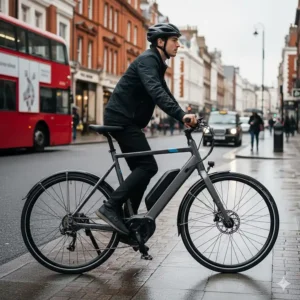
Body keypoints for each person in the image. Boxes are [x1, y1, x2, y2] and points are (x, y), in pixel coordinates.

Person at [96, 23, 197, 235]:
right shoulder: (148, 61)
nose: (178, 44)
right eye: (174, 40)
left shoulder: (156, 63)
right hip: (122, 121)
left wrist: (183, 116)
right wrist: (181, 115)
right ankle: (110, 207)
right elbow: (156, 92)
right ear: (161, 42)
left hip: (127, 121)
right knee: (148, 166)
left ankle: (127, 220)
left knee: (142, 170)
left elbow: (166, 94)